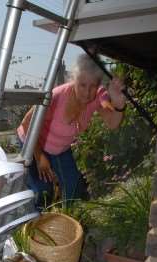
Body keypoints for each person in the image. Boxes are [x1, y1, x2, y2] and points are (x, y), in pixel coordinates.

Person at [17, 53, 126, 206]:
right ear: (74, 80)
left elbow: (112, 123)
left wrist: (119, 104)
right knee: (42, 192)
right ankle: (35, 224)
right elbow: (27, 124)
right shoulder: (55, 97)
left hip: (60, 148)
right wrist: (39, 156)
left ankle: (69, 222)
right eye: (82, 85)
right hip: (32, 142)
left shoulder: (98, 96)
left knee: (73, 186)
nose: (87, 93)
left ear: (99, 84)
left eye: (93, 86)